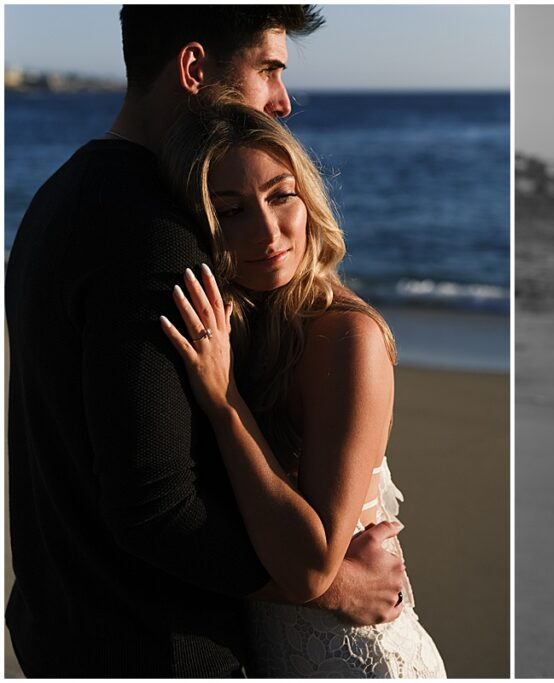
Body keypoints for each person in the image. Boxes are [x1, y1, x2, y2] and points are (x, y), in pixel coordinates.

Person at [5, 7, 405, 677]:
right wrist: (334, 584)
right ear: (193, 70)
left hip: (64, 626)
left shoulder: (60, 197)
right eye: (268, 69)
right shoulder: (154, 233)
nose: (283, 99)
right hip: (152, 644)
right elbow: (156, 506)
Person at [157, 94, 447, 677]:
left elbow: (313, 569)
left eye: (280, 195)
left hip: (358, 659)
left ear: (308, 198)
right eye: (231, 210)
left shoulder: (346, 338)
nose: (267, 230)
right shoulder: (241, 331)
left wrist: (224, 403)